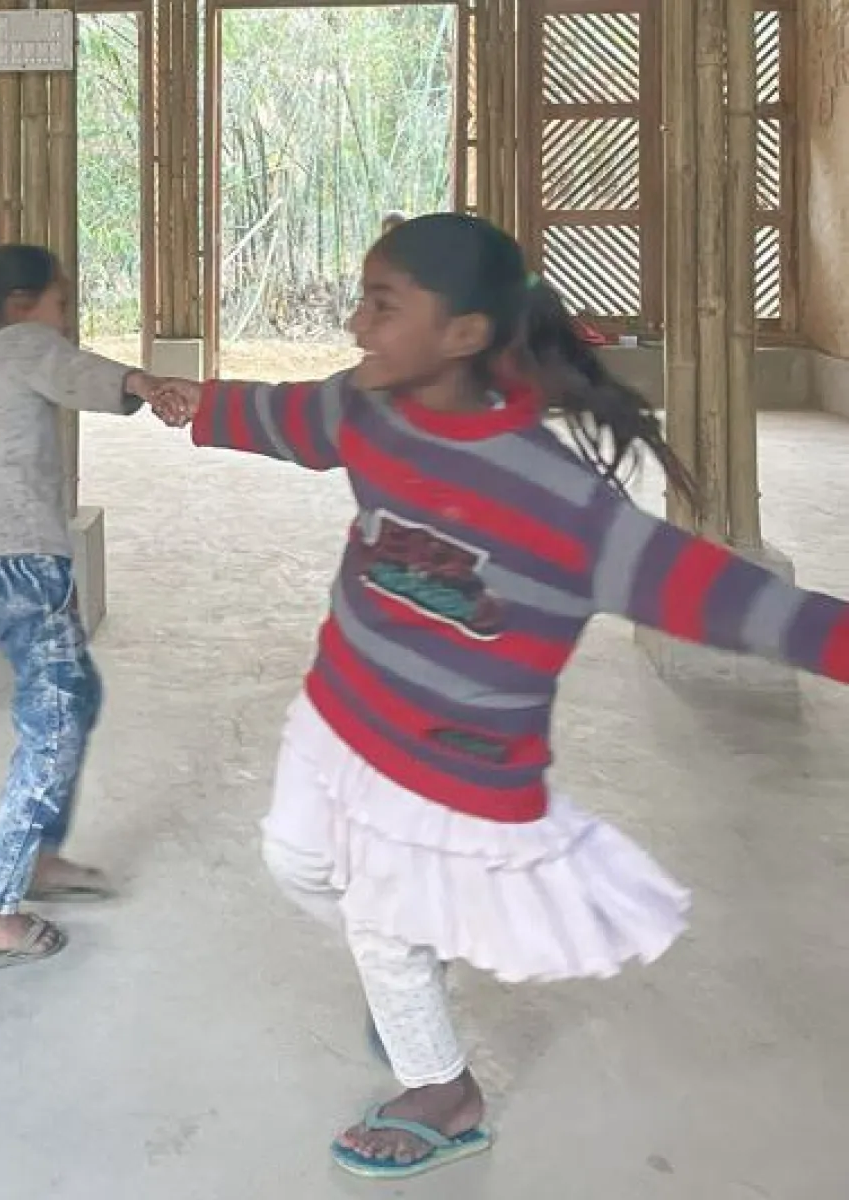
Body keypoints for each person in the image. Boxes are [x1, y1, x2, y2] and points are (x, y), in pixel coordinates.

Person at [150, 213, 849, 1179]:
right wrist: (193, 403)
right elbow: (288, 419)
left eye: (383, 306)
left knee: (379, 918)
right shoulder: (371, 409)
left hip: (448, 767)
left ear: (464, 335)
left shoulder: (558, 503)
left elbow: (731, 599)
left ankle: (444, 1091)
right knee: (296, 864)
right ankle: (412, 960)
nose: (357, 326)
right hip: (339, 717)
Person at [0, 244, 177, 968]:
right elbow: (76, 372)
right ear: (23, 306)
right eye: (62, 304)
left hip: (1, 563)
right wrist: (145, 381)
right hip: (19, 563)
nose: (63, 321)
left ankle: (40, 857)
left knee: (76, 696)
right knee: (52, 724)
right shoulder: (22, 345)